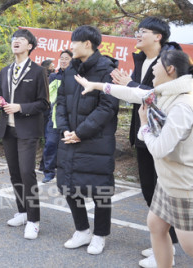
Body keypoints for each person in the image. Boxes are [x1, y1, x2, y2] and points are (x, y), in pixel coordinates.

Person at [76, 49, 193, 268]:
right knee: (156, 225)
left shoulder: (182, 105)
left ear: (170, 69)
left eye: (157, 64)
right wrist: (94, 85)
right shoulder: (164, 93)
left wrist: (144, 125)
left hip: (185, 185)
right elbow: (132, 93)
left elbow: (159, 149)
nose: (153, 69)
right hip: (169, 180)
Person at [111, 18, 180, 267]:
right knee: (149, 190)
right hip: (143, 133)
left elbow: (160, 96)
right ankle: (162, 242)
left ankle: (167, 250)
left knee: (163, 193)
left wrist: (129, 85)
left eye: (143, 31)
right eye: (137, 31)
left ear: (158, 36)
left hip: (163, 135)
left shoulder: (170, 60)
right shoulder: (142, 60)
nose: (137, 35)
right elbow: (135, 96)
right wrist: (118, 86)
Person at [56, 25, 119, 256]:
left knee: (99, 190)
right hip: (70, 138)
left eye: (74, 42)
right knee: (68, 184)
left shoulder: (106, 70)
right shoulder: (70, 69)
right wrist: (65, 129)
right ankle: (82, 230)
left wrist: (80, 132)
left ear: (87, 44)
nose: (70, 46)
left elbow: (108, 107)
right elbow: (61, 101)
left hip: (95, 141)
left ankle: (100, 235)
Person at [0, 29, 49, 240]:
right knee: (15, 173)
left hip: (28, 129)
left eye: (21, 39)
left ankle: (34, 220)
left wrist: (20, 107)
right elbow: (1, 96)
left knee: (27, 173)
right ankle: (22, 212)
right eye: (14, 39)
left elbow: (44, 103)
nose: (15, 41)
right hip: (8, 129)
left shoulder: (38, 71)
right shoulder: (5, 71)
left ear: (30, 46)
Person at [41, 49, 73, 183]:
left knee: (67, 147)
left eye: (67, 58)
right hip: (54, 117)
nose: (64, 61)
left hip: (70, 119)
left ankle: (65, 174)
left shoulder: (76, 77)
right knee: (51, 143)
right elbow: (48, 96)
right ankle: (48, 172)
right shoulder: (54, 77)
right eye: (62, 58)